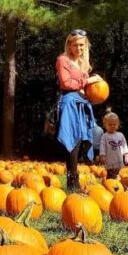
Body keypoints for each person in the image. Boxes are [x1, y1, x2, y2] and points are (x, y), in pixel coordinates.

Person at [55, 29, 102, 192]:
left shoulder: (82, 63)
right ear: (69, 44)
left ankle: (74, 180)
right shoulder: (63, 60)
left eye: (82, 45)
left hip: (82, 103)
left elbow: (84, 85)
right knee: (72, 141)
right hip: (69, 103)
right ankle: (72, 182)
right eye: (75, 45)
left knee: (82, 139)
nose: (79, 48)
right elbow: (66, 83)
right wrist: (88, 80)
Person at [98, 111, 128, 180]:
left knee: (117, 173)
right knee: (110, 174)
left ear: (118, 124)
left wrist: (126, 154)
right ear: (105, 125)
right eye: (110, 124)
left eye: (114, 124)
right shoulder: (105, 136)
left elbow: (124, 145)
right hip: (110, 160)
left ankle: (116, 183)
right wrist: (102, 155)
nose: (112, 126)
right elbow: (102, 146)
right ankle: (110, 183)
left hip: (119, 159)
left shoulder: (120, 135)